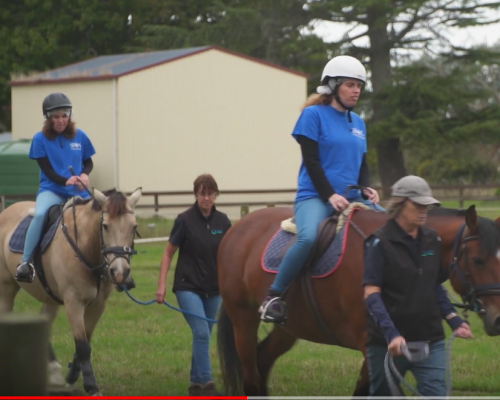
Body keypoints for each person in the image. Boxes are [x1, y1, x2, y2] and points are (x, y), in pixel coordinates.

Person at [259, 55, 384, 324]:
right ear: (333, 85)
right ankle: (274, 297)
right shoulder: (312, 115)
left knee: (393, 227)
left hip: (351, 197)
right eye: (350, 84)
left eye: (359, 86)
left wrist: (366, 189)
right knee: (307, 239)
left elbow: (362, 163)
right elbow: (312, 162)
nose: (356, 91)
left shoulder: (359, 123)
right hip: (314, 197)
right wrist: (330, 194)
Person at [362, 175, 473, 397]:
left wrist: (453, 319)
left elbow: (433, 284)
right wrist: (391, 334)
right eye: (418, 205)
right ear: (400, 203)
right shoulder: (378, 242)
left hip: (431, 340)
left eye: (427, 206)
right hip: (387, 345)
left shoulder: (433, 239)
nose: (424, 210)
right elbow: (371, 294)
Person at [155, 174, 231, 396]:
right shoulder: (184, 220)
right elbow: (168, 253)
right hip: (188, 287)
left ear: (216, 194)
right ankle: (207, 384)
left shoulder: (223, 222)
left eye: (210, 193)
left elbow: (229, 255)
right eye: (201, 193)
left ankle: (194, 383)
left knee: (203, 334)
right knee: (201, 333)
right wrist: (161, 285)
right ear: (196, 195)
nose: (206, 198)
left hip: (215, 290)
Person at [15, 92, 96, 283]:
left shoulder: (80, 136)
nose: (61, 121)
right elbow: (47, 170)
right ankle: (25, 262)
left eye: (64, 116)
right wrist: (64, 181)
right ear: (48, 118)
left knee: (98, 216)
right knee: (41, 214)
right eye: (56, 117)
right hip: (51, 189)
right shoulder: (39, 139)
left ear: (70, 116)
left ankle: (106, 262)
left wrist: (85, 174)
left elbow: (89, 163)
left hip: (77, 191)